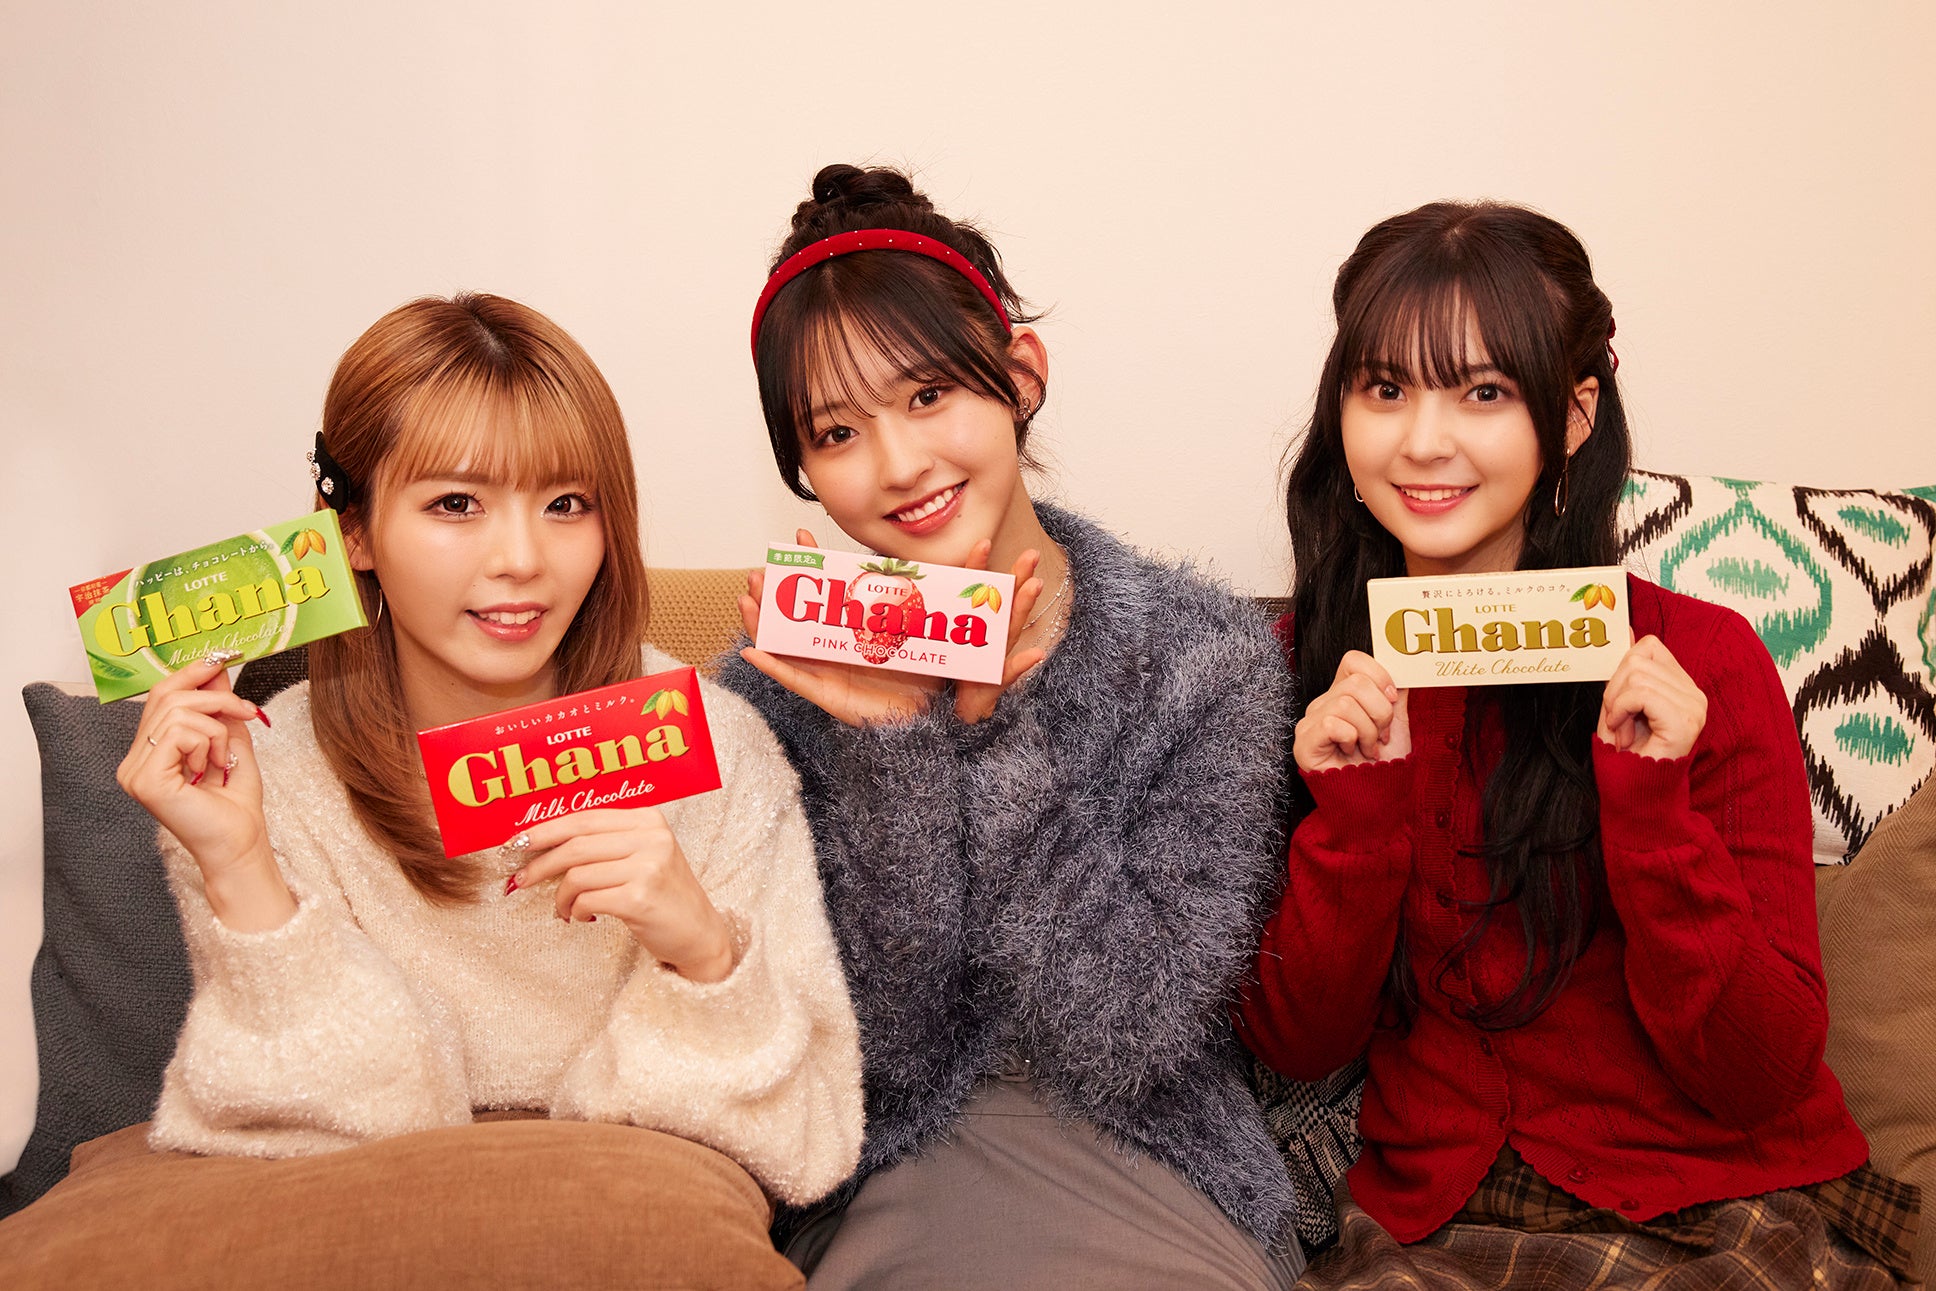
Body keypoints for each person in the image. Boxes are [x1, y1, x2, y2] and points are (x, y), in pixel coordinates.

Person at [1237, 201, 1920, 1288]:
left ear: (1573, 414)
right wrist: (1355, 816)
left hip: (1712, 1201)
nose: (1423, 440)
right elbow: (1296, 1042)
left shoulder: (1701, 658)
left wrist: (1651, 810)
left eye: (1484, 392)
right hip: (1435, 1220)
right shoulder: (1300, 668)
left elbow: (1762, 1071)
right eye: (1385, 388)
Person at [114, 294, 863, 1215]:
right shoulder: (260, 773)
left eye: (566, 504)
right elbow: (304, 1142)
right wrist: (241, 872)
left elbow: (805, 1146)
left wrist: (704, 950)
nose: (521, 558)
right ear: (354, 532)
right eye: (456, 503)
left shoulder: (716, 745)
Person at [717, 163, 1305, 1289]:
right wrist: (893, 750)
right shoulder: (773, 688)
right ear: (804, 467)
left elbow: (1127, 1034)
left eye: (930, 395)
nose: (899, 465)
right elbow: (875, 1068)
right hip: (888, 1174)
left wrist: (998, 742)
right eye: (837, 430)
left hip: (1151, 1163)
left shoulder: (1202, 660)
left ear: (1020, 376)